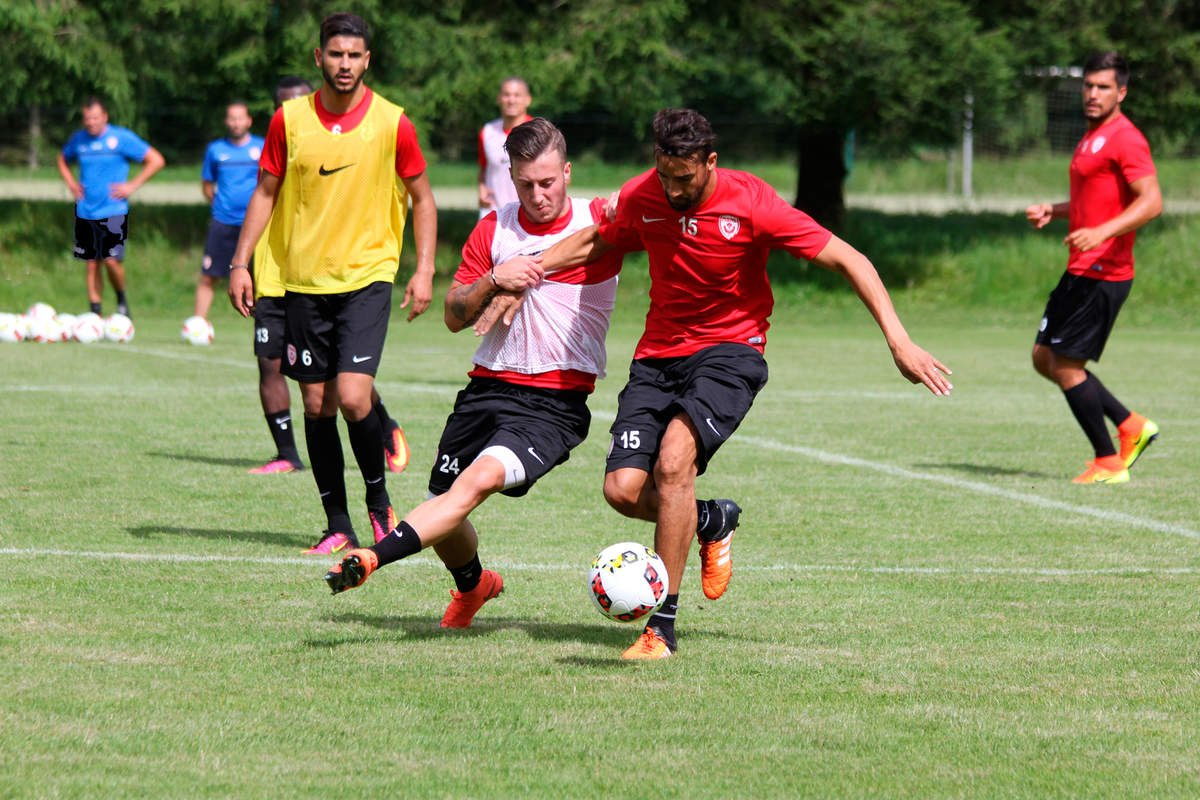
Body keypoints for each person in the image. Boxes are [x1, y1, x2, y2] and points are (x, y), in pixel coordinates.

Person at [488, 108, 953, 659]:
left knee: (673, 462)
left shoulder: (753, 202)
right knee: (621, 490)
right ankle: (711, 518)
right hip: (658, 355)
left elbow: (848, 258)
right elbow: (598, 239)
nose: (672, 189)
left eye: (683, 178)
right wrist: (527, 271)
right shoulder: (645, 194)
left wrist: (899, 340)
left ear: (710, 162)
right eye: (663, 175)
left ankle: (661, 628)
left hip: (731, 351)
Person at [322, 117, 635, 628]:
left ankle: (373, 558)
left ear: (569, 172)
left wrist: (533, 268)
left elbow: (644, 199)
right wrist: (494, 278)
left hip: (553, 402)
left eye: (549, 182)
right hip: (485, 390)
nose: (539, 195)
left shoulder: (597, 218)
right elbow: (452, 316)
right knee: (445, 511)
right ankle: (474, 586)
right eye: (527, 183)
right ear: (510, 177)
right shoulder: (494, 227)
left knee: (477, 481)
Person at [228, 13, 436, 553]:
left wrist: (425, 268)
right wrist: (240, 262)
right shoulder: (288, 120)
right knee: (316, 405)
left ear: (368, 61)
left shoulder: (393, 122)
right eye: (336, 54)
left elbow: (423, 198)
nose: (345, 64)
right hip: (303, 284)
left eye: (355, 55)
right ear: (318, 58)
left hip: (367, 280)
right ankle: (337, 523)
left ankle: (378, 504)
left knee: (352, 396)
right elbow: (266, 192)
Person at [245, 76, 411, 478]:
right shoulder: (278, 145)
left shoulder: (347, 141)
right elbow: (262, 203)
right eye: (284, 103)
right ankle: (286, 453)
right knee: (270, 363)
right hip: (274, 274)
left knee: (341, 377)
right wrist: (241, 264)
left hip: (324, 277)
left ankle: (382, 422)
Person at [1025, 52, 1161, 485]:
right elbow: (1094, 201)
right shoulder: (1091, 137)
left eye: (1103, 87)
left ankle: (1108, 460)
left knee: (1065, 365)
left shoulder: (1125, 138)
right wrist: (1056, 209)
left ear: (1121, 92)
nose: (1093, 94)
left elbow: (1151, 201)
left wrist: (1102, 232)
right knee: (1044, 357)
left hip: (1104, 271)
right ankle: (1131, 425)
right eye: (1088, 86)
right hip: (1082, 266)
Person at [56, 97, 165, 317]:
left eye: (95, 118)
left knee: (111, 261)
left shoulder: (121, 138)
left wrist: (132, 185)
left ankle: (121, 298)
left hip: (113, 210)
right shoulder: (79, 140)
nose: (91, 123)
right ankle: (95, 314)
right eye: (87, 119)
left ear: (105, 117)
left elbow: (156, 160)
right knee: (91, 263)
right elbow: (62, 159)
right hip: (85, 210)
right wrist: (70, 183)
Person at [193, 101, 263, 325]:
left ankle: (263, 324)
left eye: (240, 118)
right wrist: (220, 206)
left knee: (261, 278)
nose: (236, 123)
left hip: (256, 224)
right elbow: (207, 185)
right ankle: (198, 324)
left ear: (249, 120)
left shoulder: (261, 147)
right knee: (208, 275)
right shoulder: (216, 150)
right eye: (232, 118)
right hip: (223, 222)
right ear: (226, 121)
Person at [476, 76, 533, 217]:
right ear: (499, 99)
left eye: (517, 95)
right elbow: (484, 169)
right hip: (493, 214)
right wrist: (482, 188)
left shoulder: (538, 132)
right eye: (506, 95)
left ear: (528, 100)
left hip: (528, 214)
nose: (511, 100)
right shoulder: (487, 132)